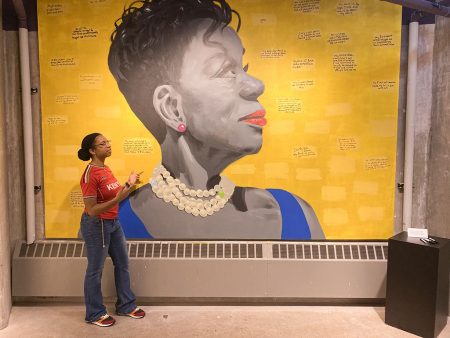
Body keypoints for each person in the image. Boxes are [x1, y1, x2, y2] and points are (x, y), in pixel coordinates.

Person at [108, 0, 325, 240]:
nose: (256, 85)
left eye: (244, 68)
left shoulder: (295, 214)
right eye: (225, 70)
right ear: (171, 107)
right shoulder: (113, 227)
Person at [78, 132, 145, 327]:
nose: (108, 145)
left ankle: (125, 305)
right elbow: (91, 210)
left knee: (122, 264)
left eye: (108, 142)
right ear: (92, 150)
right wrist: (116, 199)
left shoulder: (105, 169)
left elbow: (113, 194)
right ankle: (94, 313)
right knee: (95, 270)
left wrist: (129, 184)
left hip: (113, 222)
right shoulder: (90, 174)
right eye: (102, 144)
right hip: (96, 224)